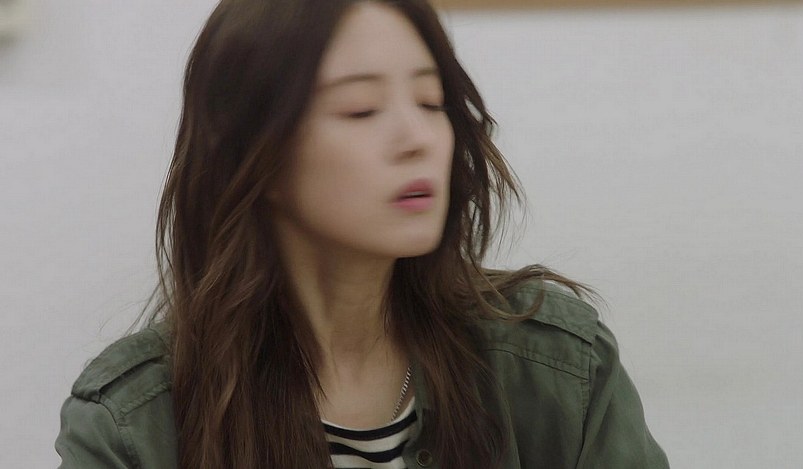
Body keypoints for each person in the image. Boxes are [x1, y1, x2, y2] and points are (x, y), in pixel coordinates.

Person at [54, 0, 669, 467]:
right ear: (253, 154)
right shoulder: (133, 427)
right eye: (361, 110)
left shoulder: (556, 368)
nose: (418, 138)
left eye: (430, 101)